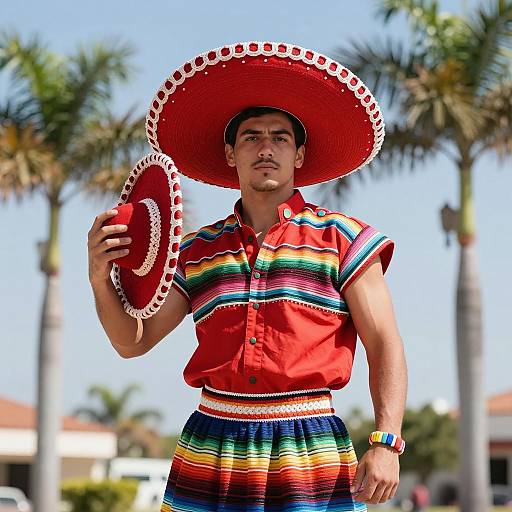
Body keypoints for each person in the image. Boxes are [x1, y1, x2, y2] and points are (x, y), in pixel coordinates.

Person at [88, 42, 408, 511]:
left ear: (299, 155)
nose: (266, 147)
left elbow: (386, 343)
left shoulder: (344, 239)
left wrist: (386, 440)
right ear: (230, 154)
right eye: (251, 136)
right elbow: (133, 341)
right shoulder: (197, 251)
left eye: (281, 137)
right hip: (211, 443)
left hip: (309, 443)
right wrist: (100, 279)